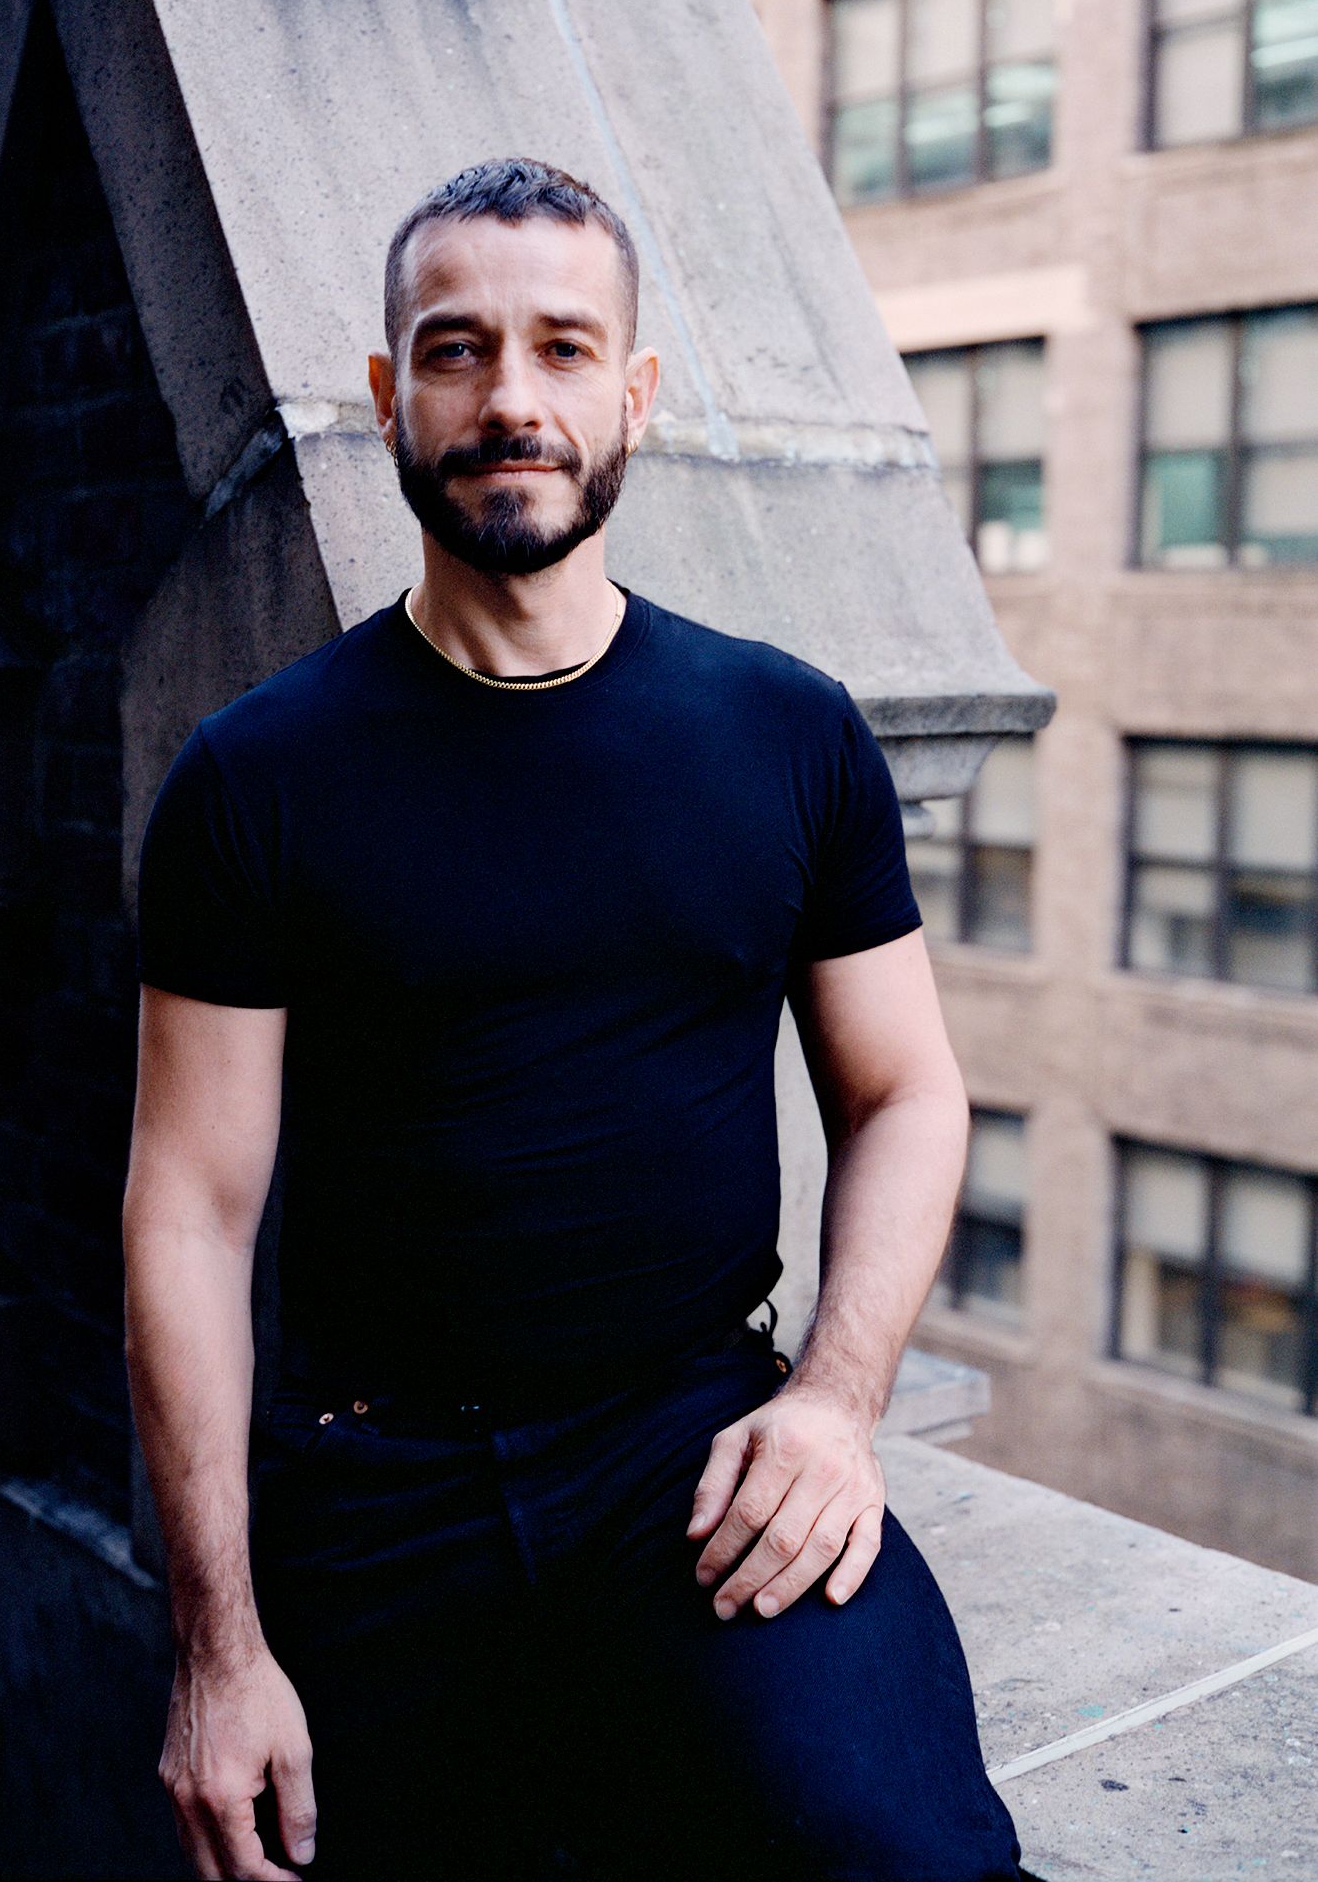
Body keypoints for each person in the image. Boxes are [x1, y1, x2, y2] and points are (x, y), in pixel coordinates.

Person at [123, 156, 1024, 1882]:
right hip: (373, 1490)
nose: (510, 399)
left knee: (903, 1854)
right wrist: (218, 1651)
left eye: (560, 348)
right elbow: (190, 1209)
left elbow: (908, 1093)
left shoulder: (788, 733)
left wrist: (836, 1400)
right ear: (391, 399)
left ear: (636, 395)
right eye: (455, 352)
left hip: (690, 1452)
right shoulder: (254, 781)